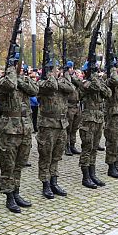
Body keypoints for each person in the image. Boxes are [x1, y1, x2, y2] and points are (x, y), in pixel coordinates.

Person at [0, 55, 39, 213]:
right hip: (10, 130)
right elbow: (10, 84)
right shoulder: (2, 81)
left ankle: (16, 191)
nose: (19, 66)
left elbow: (35, 90)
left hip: (25, 128)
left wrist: (21, 78)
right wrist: (11, 71)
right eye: (16, 63)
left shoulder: (22, 80)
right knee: (8, 165)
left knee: (19, 164)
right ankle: (9, 196)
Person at [36, 62, 74, 199]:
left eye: (57, 69)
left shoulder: (61, 82)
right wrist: (49, 76)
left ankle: (54, 181)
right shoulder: (43, 83)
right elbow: (52, 86)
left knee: (56, 155)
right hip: (48, 125)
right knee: (46, 155)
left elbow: (71, 88)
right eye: (54, 69)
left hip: (61, 124)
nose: (57, 71)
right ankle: (45, 184)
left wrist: (62, 77)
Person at [78, 61, 111, 189]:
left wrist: (98, 80)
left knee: (94, 147)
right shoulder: (85, 84)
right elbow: (93, 87)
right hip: (88, 120)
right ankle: (85, 176)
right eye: (93, 71)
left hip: (98, 119)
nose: (96, 73)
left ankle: (93, 173)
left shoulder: (98, 82)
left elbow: (108, 93)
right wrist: (94, 79)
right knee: (87, 147)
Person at [65, 61, 82, 156]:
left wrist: (72, 77)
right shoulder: (64, 79)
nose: (71, 70)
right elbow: (69, 88)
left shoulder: (74, 78)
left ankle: (72, 145)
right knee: (68, 128)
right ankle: (66, 146)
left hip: (76, 106)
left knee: (74, 128)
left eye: (71, 68)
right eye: (69, 68)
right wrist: (67, 75)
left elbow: (80, 84)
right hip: (69, 106)